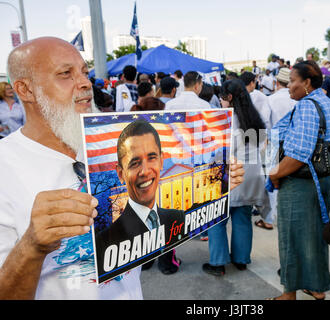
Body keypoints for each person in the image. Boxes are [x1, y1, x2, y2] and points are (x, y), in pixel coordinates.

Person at [0, 37, 246, 300]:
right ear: (25, 90)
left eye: (84, 72)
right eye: (65, 74)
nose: (84, 82)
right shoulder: (6, 166)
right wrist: (31, 247)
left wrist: (210, 184)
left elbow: (152, 218)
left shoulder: (105, 144)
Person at [268, 61, 330, 300]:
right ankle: (317, 288)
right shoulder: (327, 102)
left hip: (302, 183)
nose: (289, 87)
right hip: (322, 179)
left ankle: (288, 295)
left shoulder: (307, 107)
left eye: (293, 81)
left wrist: (273, 173)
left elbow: (299, 155)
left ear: (307, 83)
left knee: (291, 237)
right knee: (315, 237)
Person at [95, 120, 184, 277]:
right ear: (121, 173)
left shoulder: (176, 217)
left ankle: (159, 263)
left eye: (152, 158)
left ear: (161, 161)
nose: (145, 171)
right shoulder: (108, 239)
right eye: (134, 163)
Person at [202, 79, 267, 277]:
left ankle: (218, 262)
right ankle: (241, 260)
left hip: (229, 175)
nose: (220, 102)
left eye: (221, 98)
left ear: (228, 97)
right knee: (243, 218)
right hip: (251, 176)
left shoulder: (224, 121)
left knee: (216, 219)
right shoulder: (253, 117)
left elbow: (216, 152)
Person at [255, 68, 296, 231]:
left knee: (273, 179)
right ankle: (289, 216)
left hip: (274, 143)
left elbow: (264, 122)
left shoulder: (270, 100)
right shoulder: (299, 99)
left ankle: (271, 219)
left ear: (276, 82)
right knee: (292, 178)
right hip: (294, 143)